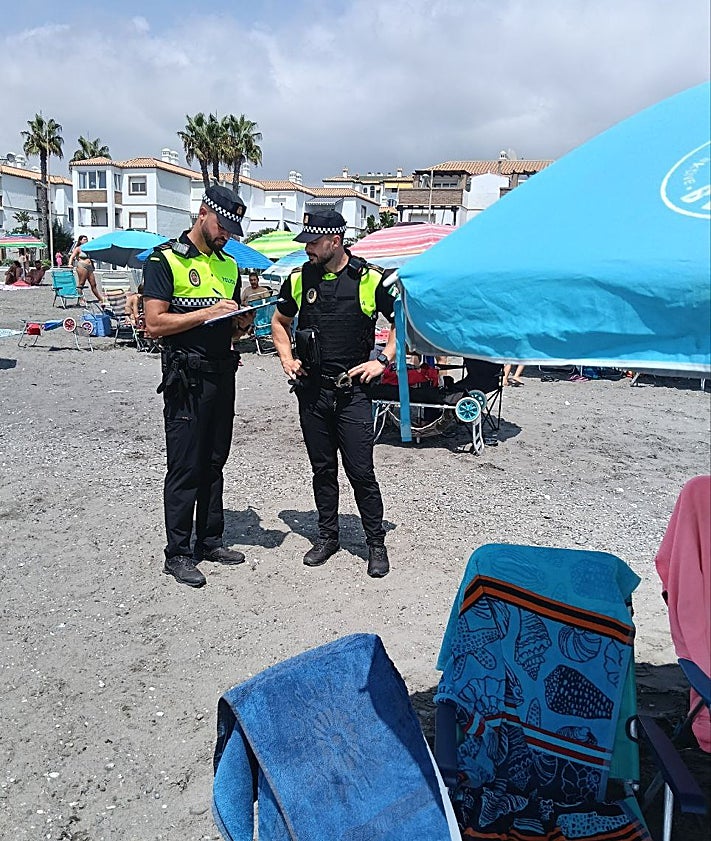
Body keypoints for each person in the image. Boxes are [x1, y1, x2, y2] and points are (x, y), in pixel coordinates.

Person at [271, 210, 396, 578]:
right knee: (322, 470)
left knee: (361, 472)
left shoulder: (369, 278)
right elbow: (280, 322)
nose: (306, 248)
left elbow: (402, 321)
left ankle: (375, 542)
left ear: (335, 241)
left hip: (353, 394)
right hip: (312, 393)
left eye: (312, 242)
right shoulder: (299, 279)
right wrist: (287, 358)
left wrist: (384, 361)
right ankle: (328, 537)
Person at [143, 185, 252, 588]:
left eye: (231, 230)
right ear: (203, 212)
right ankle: (178, 553)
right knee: (185, 464)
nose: (226, 234)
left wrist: (241, 322)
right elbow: (154, 323)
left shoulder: (228, 265)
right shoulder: (165, 259)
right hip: (185, 377)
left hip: (223, 372)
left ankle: (210, 540)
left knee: (214, 461)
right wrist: (208, 312)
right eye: (222, 225)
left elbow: (231, 325)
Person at [68, 235, 105, 304]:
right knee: (81, 283)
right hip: (82, 266)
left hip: (90, 267)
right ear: (80, 241)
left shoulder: (89, 248)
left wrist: (93, 266)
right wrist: (70, 264)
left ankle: (100, 298)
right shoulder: (78, 248)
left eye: (86, 239)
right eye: (84, 239)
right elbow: (72, 256)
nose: (86, 241)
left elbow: (91, 258)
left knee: (93, 284)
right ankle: (81, 298)